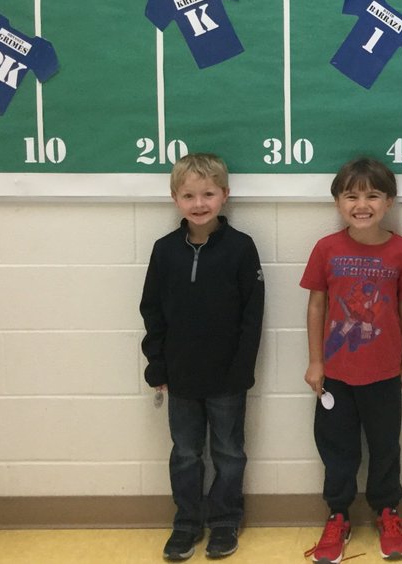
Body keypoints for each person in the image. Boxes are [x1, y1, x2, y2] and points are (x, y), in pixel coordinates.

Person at [140, 153, 264, 561]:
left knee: (229, 452)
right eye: (189, 195)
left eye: (208, 193)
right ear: (175, 198)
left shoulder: (242, 249)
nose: (199, 203)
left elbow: (253, 316)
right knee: (186, 453)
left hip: (228, 377)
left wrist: (242, 370)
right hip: (179, 378)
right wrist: (156, 363)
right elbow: (152, 311)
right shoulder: (164, 251)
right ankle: (187, 522)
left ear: (224, 196)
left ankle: (225, 519)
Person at [300, 158, 402, 564]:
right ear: (338, 201)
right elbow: (316, 306)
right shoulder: (326, 248)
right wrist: (315, 361)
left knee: (386, 447)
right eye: (351, 195)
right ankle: (338, 515)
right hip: (335, 375)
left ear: (389, 202)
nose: (362, 204)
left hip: (385, 373)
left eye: (372, 195)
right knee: (338, 450)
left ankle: (387, 513)